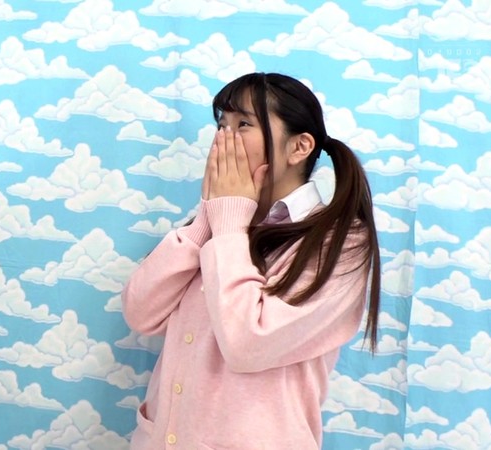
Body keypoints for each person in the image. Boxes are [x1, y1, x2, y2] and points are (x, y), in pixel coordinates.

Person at [121, 72, 381, 449]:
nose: (224, 138)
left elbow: (246, 343)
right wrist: (207, 218)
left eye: (243, 124)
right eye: (221, 125)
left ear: (299, 147)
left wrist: (227, 219)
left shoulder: (341, 244)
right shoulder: (218, 226)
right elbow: (140, 313)